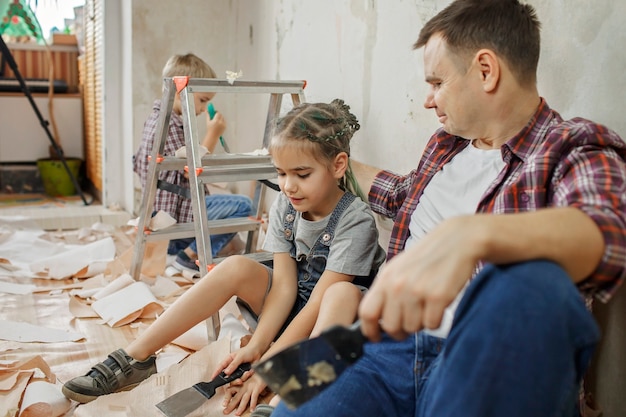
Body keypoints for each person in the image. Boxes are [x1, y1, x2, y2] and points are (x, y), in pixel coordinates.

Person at [270, 1, 626, 417]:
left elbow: (607, 233)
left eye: (436, 82)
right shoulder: (444, 146)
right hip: (383, 341)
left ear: (486, 70)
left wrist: (472, 236)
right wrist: (327, 161)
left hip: (482, 353)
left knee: (531, 282)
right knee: (291, 400)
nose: (427, 100)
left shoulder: (573, 146)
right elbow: (400, 194)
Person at [62, 99, 387, 414]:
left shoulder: (355, 220)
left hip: (332, 322)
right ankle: (136, 357)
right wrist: (258, 347)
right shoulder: (286, 205)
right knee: (236, 267)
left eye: (302, 174)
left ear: (338, 165)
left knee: (340, 294)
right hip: (291, 309)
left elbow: (317, 305)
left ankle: (285, 402)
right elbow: (285, 288)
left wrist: (270, 367)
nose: (289, 186)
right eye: (281, 173)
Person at [132, 53, 253, 276]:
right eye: (203, 100)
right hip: (177, 215)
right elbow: (192, 172)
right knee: (245, 207)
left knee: (231, 238)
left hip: (165, 214)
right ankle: (188, 256)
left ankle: (180, 250)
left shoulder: (156, 119)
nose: (203, 107)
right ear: (181, 90)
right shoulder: (170, 125)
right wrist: (213, 134)